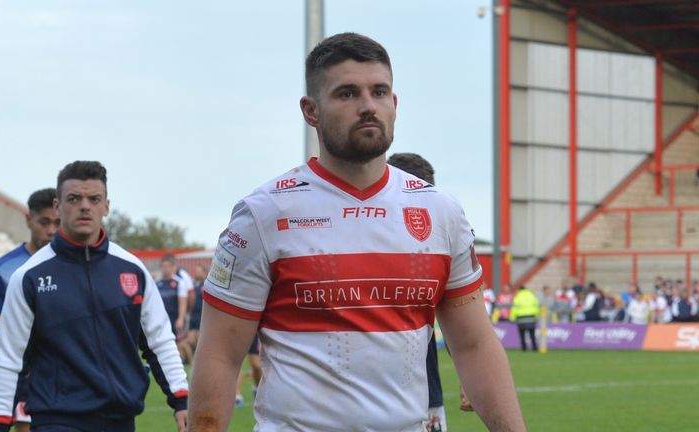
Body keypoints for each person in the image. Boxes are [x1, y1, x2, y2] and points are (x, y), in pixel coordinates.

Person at [187, 33, 525, 431]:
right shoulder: (263, 214)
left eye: (379, 92)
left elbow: (474, 345)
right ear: (310, 111)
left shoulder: (441, 212)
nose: (367, 106)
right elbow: (220, 355)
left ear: (394, 103)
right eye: (346, 94)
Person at [0, 161, 188, 432]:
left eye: (94, 199)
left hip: (121, 420)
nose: (85, 206)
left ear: (106, 206)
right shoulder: (29, 276)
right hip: (56, 420)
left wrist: (181, 399)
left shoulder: (133, 269)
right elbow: (9, 357)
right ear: (58, 206)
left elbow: (159, 341)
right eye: (74, 199)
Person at [0, 188, 60, 431]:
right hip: (23, 377)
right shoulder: (3, 269)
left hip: (69, 376)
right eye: (44, 222)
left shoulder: (74, 264)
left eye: (57, 223)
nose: (51, 230)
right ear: (28, 219)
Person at [387, 151, 448, 430]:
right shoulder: (353, 241)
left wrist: (472, 378)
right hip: (357, 400)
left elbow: (461, 321)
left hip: (425, 396)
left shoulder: (436, 247)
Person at [157, 253, 191, 363]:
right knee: (166, 343)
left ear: (173, 267)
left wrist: (180, 318)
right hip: (162, 319)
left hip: (175, 318)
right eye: (163, 266)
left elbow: (183, 302)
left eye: (167, 266)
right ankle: (173, 362)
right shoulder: (157, 283)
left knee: (181, 342)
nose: (165, 269)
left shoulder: (179, 282)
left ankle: (191, 362)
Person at [510, 286, 540, 352]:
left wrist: (512, 318)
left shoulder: (517, 297)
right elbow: (537, 306)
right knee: (532, 334)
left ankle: (524, 348)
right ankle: (534, 348)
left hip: (521, 318)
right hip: (531, 317)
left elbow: (514, 308)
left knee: (522, 334)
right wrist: (537, 316)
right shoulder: (532, 296)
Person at [186, 264, 207, 355]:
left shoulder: (207, 285)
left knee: (199, 340)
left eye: (199, 272)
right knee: (191, 340)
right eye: (196, 272)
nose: (197, 274)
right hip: (193, 315)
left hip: (203, 315)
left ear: (204, 272)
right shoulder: (193, 284)